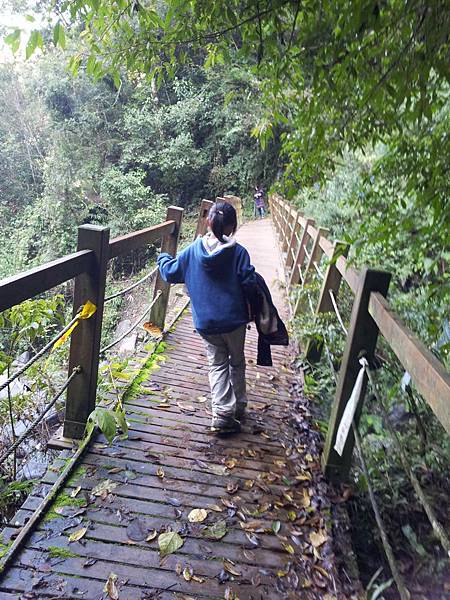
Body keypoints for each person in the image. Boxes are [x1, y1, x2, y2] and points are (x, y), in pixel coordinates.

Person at [157, 202, 257, 434]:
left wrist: (163, 258)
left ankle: (223, 413)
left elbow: (171, 273)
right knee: (237, 361)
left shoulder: (193, 251)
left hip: (206, 323)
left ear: (208, 222)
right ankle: (239, 406)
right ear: (232, 227)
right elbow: (249, 284)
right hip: (234, 321)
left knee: (217, 363)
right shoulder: (239, 253)